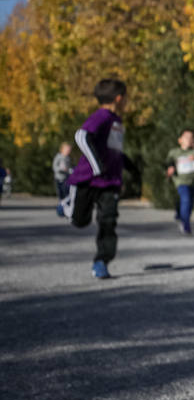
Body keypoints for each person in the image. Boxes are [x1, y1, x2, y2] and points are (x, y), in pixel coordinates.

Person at [64, 78, 131, 279]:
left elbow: (115, 151)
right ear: (119, 98)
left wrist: (131, 168)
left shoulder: (117, 122)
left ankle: (101, 261)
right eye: (126, 98)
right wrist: (96, 166)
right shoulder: (102, 116)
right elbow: (81, 136)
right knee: (80, 221)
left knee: (108, 222)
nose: (127, 102)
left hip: (110, 183)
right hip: (88, 179)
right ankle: (67, 205)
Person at [165, 129, 194, 235]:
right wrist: (170, 168)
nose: (189, 140)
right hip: (180, 181)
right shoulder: (175, 152)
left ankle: (181, 216)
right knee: (186, 199)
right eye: (186, 137)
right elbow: (168, 162)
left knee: (190, 203)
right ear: (180, 140)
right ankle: (186, 226)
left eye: (191, 137)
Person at [53, 142, 74, 215]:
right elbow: (55, 167)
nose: (68, 152)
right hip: (59, 178)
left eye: (69, 150)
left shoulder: (68, 158)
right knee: (60, 193)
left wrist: (70, 171)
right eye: (67, 150)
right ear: (62, 150)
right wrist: (60, 169)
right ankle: (61, 206)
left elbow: (69, 168)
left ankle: (65, 207)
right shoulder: (58, 157)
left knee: (66, 192)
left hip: (66, 178)